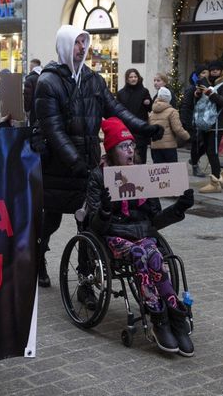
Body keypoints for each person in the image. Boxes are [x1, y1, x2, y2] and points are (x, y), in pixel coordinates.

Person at [32, 25, 162, 288]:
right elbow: (54, 131)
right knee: (51, 220)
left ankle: (85, 281)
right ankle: (37, 257)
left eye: (84, 43)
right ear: (66, 45)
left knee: (89, 225)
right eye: (77, 43)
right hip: (59, 167)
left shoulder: (93, 80)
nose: (82, 48)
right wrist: (75, 162)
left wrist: (144, 128)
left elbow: (115, 110)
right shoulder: (48, 82)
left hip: (87, 165)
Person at [84, 117, 195, 356]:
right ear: (112, 150)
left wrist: (179, 208)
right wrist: (104, 209)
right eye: (124, 147)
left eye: (132, 145)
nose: (130, 151)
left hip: (142, 233)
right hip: (113, 235)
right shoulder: (98, 176)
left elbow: (154, 220)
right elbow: (94, 226)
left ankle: (175, 316)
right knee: (139, 253)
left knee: (154, 253)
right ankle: (157, 316)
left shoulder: (143, 175)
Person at [194, 60, 223, 194]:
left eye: (217, 69)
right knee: (210, 150)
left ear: (222, 70)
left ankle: (215, 182)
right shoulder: (210, 83)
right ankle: (220, 178)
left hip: (218, 124)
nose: (214, 71)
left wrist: (211, 93)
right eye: (212, 69)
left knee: (212, 151)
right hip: (207, 123)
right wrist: (199, 94)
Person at [116, 68, 152, 163]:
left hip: (140, 129)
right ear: (127, 79)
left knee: (141, 155)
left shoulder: (144, 91)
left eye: (135, 77)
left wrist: (148, 103)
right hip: (126, 129)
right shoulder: (121, 93)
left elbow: (149, 109)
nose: (133, 79)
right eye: (131, 77)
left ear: (138, 78)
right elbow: (117, 111)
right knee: (127, 154)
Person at [180, 64, 208, 178]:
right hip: (193, 121)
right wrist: (186, 121)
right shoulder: (192, 88)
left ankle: (194, 159)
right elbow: (185, 106)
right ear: (197, 75)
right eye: (203, 73)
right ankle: (195, 166)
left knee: (206, 144)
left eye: (207, 72)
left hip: (204, 120)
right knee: (196, 144)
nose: (206, 75)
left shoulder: (208, 86)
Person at [149, 87, 190, 163]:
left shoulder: (152, 113)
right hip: (169, 147)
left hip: (155, 146)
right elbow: (177, 128)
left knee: (159, 171)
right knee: (171, 171)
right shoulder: (172, 112)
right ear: (169, 99)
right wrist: (187, 137)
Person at [23, 58, 43, 123]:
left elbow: (27, 96)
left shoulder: (30, 79)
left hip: (33, 110)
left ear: (32, 67)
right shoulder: (45, 76)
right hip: (44, 110)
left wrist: (27, 110)